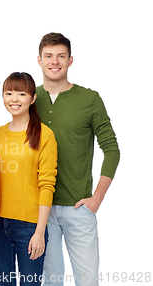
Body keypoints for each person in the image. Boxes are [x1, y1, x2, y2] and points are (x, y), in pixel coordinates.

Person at [35, 33, 120, 286]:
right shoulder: (29, 98)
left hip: (79, 208)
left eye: (61, 56)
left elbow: (112, 150)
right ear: (38, 60)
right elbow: (13, 137)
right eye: (48, 56)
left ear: (70, 60)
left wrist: (97, 198)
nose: (55, 61)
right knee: (50, 281)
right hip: (41, 210)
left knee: (87, 281)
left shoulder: (89, 99)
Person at [0, 72, 58, 286]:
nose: (14, 99)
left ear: (33, 98)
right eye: (8, 93)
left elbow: (47, 185)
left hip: (30, 226)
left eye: (21, 93)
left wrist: (39, 232)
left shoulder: (45, 135)